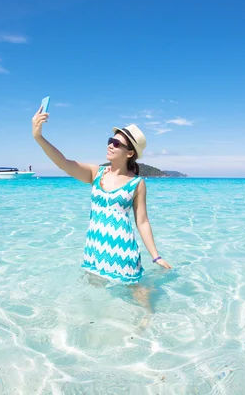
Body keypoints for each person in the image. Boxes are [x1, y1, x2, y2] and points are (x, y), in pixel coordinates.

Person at [32, 106, 172, 308]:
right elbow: (63, 163)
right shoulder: (95, 173)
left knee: (137, 295)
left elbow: (142, 221)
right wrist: (39, 137)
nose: (111, 145)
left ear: (130, 152)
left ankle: (147, 324)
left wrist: (155, 256)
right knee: (93, 300)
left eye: (117, 143)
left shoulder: (137, 183)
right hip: (94, 249)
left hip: (123, 251)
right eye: (110, 141)